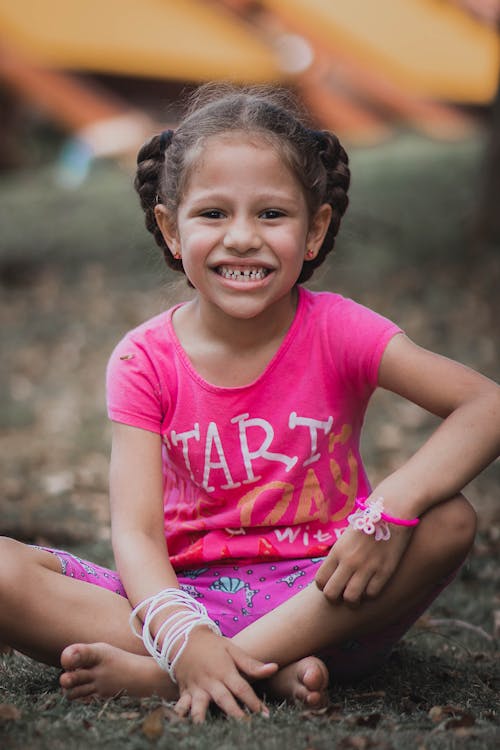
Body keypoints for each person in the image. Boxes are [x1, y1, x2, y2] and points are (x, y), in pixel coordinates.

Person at [0, 84, 498, 724]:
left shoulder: (340, 331)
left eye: (271, 214)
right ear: (170, 229)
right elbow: (137, 533)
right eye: (212, 214)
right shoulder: (143, 359)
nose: (242, 238)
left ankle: (176, 676)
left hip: (327, 596)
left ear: (314, 228)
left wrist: (388, 510)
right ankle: (250, 668)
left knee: (449, 519)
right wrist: (184, 634)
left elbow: (486, 404)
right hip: (184, 599)